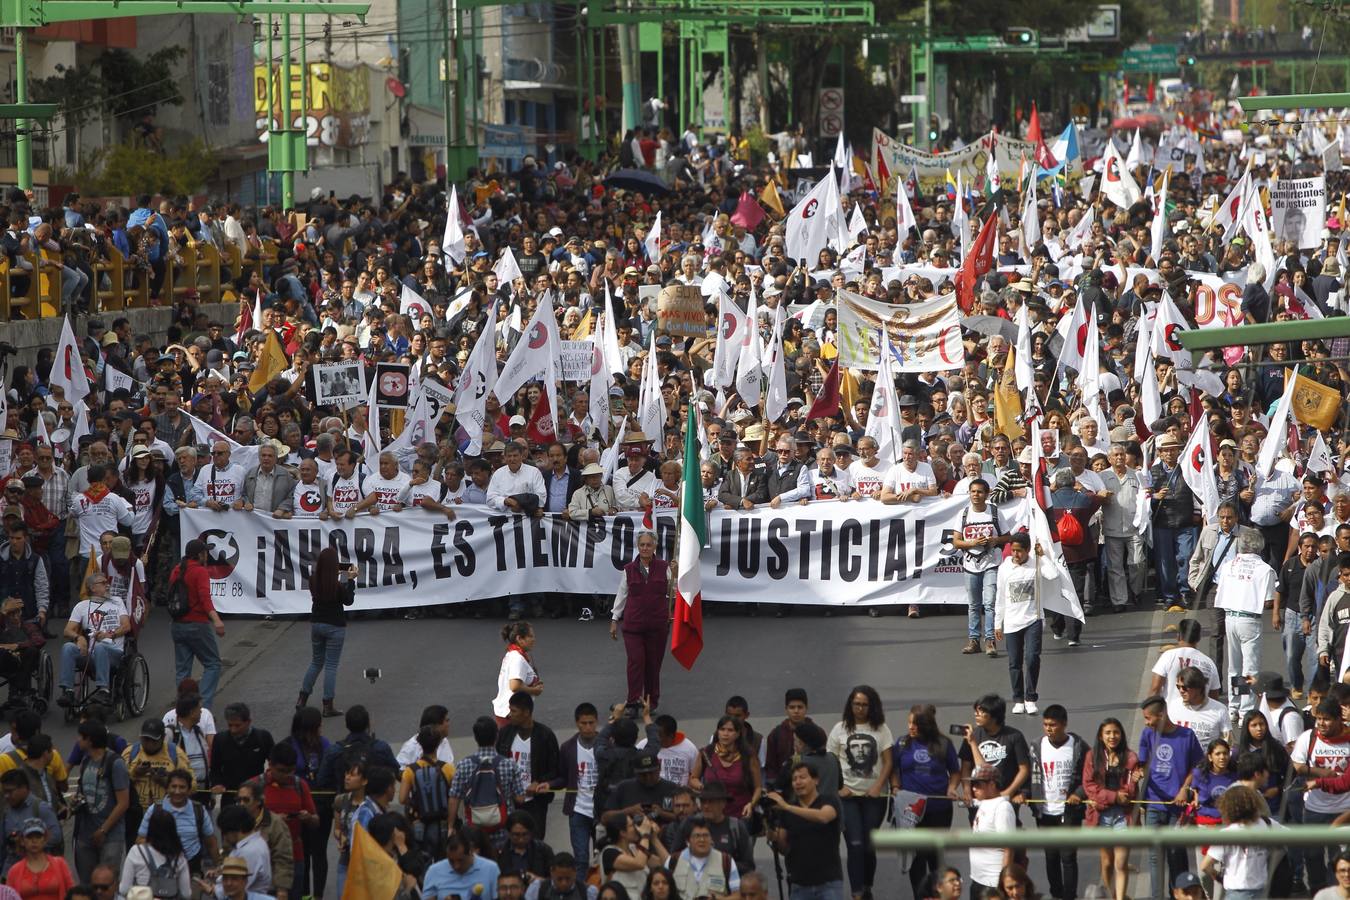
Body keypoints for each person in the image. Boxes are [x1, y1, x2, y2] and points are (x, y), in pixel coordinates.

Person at [825, 685, 891, 900]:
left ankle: (867, 885)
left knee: (868, 846)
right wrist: (838, 787)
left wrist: (877, 786)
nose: (860, 708)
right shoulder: (839, 729)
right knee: (854, 844)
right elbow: (830, 762)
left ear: (871, 706)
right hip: (848, 798)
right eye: (856, 704)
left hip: (875, 798)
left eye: (864, 704)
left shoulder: (881, 729)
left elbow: (889, 762)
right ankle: (857, 894)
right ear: (850, 705)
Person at [1136, 695, 1204, 899]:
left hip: (1178, 809)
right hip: (1153, 806)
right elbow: (1141, 763)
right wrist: (1138, 772)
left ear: (1162, 714)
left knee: (1177, 856)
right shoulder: (1147, 734)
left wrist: (1185, 788)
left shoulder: (1187, 736)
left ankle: (1178, 895)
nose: (1147, 723)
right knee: (1155, 858)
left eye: (1149, 718)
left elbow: (1198, 766)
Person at [891, 704, 959, 898]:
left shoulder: (944, 743)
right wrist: (895, 787)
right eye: (909, 722)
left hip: (939, 810)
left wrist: (951, 788)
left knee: (935, 858)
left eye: (915, 723)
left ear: (926, 725)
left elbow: (954, 771)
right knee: (917, 859)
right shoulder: (902, 744)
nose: (910, 727)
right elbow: (894, 769)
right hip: (911, 812)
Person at [1216, 531, 1279, 719]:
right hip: (1249, 619)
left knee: (1234, 666)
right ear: (1260, 546)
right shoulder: (1265, 569)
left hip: (1230, 617)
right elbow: (1269, 600)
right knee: (1250, 667)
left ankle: (1233, 707)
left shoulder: (1228, 566)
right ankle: (1246, 711)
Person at [1028, 704, 1086, 900]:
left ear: (1064, 724)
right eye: (1045, 725)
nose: (1048, 729)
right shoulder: (1037, 746)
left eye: (1053, 725)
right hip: (1045, 812)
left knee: (1068, 857)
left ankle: (1070, 896)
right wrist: (1025, 795)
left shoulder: (1078, 746)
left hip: (1069, 811)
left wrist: (1078, 793)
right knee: (1051, 857)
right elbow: (1030, 775)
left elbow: (1089, 777)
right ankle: (1056, 894)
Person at [995, 533, 1056, 714]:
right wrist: (998, 623)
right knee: (1014, 662)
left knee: (1031, 658)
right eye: (1013, 550)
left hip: (1033, 620)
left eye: (1019, 551)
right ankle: (1018, 699)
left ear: (1027, 550)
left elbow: (1052, 575)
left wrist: (1042, 556)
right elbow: (1000, 598)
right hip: (1012, 623)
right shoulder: (1004, 568)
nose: (1015, 554)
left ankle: (1030, 697)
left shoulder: (1036, 563)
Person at [1292, 698, 1350, 888]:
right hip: (1314, 809)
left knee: (1340, 861)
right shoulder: (1308, 738)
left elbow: (1344, 782)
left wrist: (1319, 782)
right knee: (1312, 856)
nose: (1321, 724)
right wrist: (1322, 773)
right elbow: (1298, 765)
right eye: (1318, 719)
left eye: (1326, 719)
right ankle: (1317, 891)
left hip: (1344, 810)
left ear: (1338, 719)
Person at [766, 760, 844, 900]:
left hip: (829, 883)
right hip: (799, 885)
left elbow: (823, 817)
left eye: (802, 777)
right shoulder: (787, 811)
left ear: (816, 780)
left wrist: (787, 807)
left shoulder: (829, 801)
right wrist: (768, 826)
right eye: (794, 779)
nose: (798, 782)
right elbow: (783, 848)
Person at [447, 717, 528, 849]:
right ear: (497, 735)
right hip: (502, 828)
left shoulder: (464, 765)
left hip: (474, 831)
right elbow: (520, 798)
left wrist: (450, 826)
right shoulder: (509, 764)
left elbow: (454, 798)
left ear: (475, 737)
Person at [611, 531, 671, 711]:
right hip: (633, 626)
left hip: (657, 626)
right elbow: (622, 595)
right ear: (638, 547)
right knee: (636, 662)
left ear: (655, 547)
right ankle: (633, 702)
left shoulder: (665, 567)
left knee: (653, 665)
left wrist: (676, 576)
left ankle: (650, 703)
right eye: (642, 545)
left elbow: (675, 592)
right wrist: (614, 618)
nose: (645, 548)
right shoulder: (628, 569)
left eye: (648, 545)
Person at [1082, 717, 1138, 900]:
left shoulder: (1130, 757)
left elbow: (1131, 788)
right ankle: (1112, 895)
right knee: (1107, 863)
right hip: (1101, 814)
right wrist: (1114, 796)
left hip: (1124, 815)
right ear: (1100, 736)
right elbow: (1089, 786)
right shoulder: (1092, 756)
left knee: (1120, 863)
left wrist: (1126, 793)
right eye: (1108, 733)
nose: (1112, 736)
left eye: (1116, 732)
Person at [297, 547, 357, 717]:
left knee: (316, 662)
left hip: (317, 624)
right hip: (335, 626)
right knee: (331, 665)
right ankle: (327, 704)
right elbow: (348, 600)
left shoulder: (313, 580)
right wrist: (351, 580)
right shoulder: (336, 586)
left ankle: (302, 698)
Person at [56, 573, 130, 708]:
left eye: (107, 582)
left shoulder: (117, 601)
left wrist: (110, 634)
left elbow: (126, 626)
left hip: (113, 652)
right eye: (103, 583)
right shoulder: (82, 606)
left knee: (100, 647)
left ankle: (104, 690)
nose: (107, 585)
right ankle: (68, 691)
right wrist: (79, 637)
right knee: (68, 647)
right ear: (92, 588)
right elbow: (67, 630)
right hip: (90, 654)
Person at [1200, 784, 1285, 900]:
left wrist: (1217, 876)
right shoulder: (1266, 823)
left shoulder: (1227, 834)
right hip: (1261, 891)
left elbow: (1205, 865)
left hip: (1236, 892)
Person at [166, 539, 225, 709]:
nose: (207, 555)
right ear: (200, 555)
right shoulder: (200, 571)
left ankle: (185, 708)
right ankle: (202, 707)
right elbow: (205, 599)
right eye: (205, 552)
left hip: (177, 625)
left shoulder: (177, 570)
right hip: (197, 624)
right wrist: (217, 620)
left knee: (183, 670)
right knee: (213, 664)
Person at [496, 691, 561, 841]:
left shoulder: (545, 736)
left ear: (526, 712)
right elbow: (498, 763)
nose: (509, 714)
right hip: (509, 800)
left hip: (536, 803)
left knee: (535, 841)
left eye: (513, 711)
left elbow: (554, 769)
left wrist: (539, 782)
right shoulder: (505, 734)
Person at [953, 478, 1008, 656]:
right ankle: (974, 640)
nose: (976, 495)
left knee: (989, 603)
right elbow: (956, 542)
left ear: (987, 494)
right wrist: (972, 543)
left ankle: (990, 640)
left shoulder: (994, 512)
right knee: (973, 605)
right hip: (971, 565)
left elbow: (1008, 537)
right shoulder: (963, 514)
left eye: (979, 492)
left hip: (991, 563)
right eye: (973, 491)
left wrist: (995, 540)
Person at [71, 720, 130, 883]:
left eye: (81, 737)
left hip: (110, 836)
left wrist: (103, 830)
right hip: (85, 834)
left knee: (106, 885)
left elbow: (123, 803)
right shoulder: (85, 761)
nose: (77, 741)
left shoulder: (115, 763)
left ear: (89, 740)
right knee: (86, 885)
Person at [120, 808, 192, 899]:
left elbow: (124, 889)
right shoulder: (179, 857)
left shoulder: (136, 852)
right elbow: (186, 894)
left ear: (150, 829)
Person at [968, 764, 1015, 897]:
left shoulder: (1002, 807)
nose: (973, 788)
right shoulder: (984, 803)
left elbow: (1008, 848)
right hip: (977, 880)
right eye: (973, 783)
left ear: (992, 784)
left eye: (978, 784)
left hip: (993, 884)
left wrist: (1003, 882)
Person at [665, 818, 739, 900]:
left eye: (706, 835)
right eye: (697, 836)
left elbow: (738, 895)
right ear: (688, 840)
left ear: (711, 838)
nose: (702, 840)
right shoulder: (673, 860)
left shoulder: (726, 860)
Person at [600, 809, 668, 895]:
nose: (636, 828)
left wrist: (654, 838)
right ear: (622, 833)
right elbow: (639, 864)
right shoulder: (609, 853)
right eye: (632, 825)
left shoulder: (635, 849)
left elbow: (663, 862)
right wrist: (645, 835)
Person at [5, 817, 72, 900]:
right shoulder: (14, 871)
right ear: (22, 841)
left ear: (45, 839)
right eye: (29, 837)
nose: (34, 841)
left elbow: (72, 893)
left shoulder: (60, 863)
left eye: (38, 837)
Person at [423, 831, 503, 899]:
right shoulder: (434, 871)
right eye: (451, 861)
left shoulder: (491, 869)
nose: (456, 866)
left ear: (471, 852)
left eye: (460, 860)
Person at [495, 622, 542, 726]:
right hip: (512, 715)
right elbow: (514, 686)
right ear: (519, 638)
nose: (533, 639)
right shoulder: (517, 659)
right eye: (530, 636)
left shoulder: (512, 654)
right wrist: (534, 690)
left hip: (509, 712)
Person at [524, 852, 596, 900]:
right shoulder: (538, 888)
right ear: (551, 872)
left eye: (568, 879)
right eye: (559, 879)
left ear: (575, 872)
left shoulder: (588, 892)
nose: (564, 883)